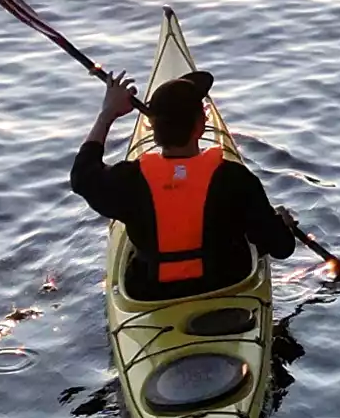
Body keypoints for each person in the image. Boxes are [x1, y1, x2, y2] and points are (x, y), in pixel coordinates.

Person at [69, 69, 306, 299]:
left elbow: (82, 176)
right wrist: (280, 225)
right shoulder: (235, 179)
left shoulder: (129, 179)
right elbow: (281, 249)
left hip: (151, 293)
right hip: (226, 285)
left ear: (153, 130)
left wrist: (106, 115)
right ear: (200, 125)